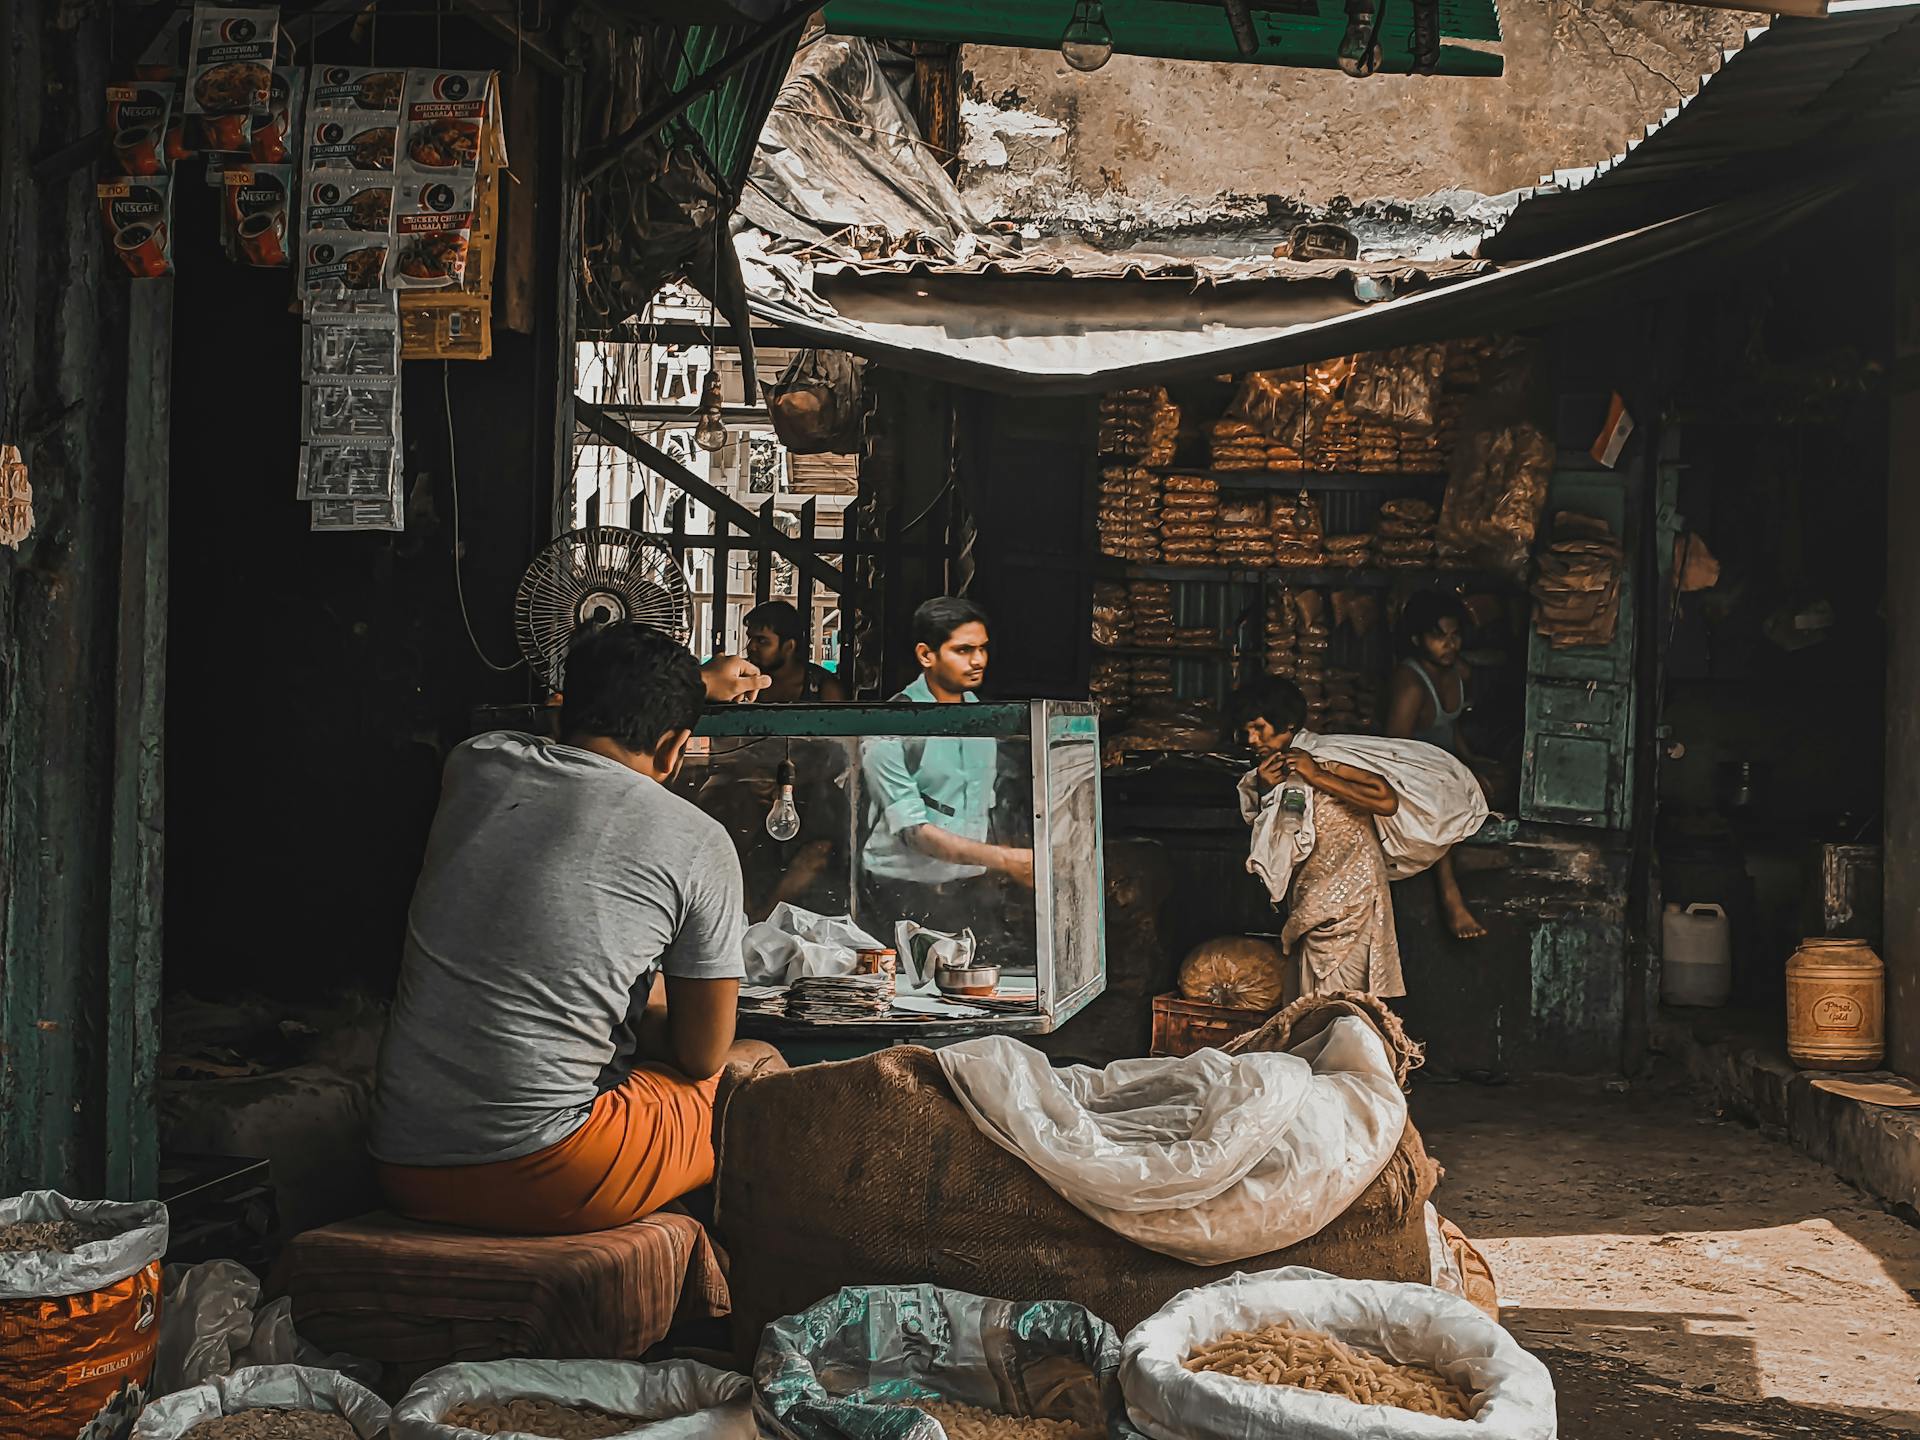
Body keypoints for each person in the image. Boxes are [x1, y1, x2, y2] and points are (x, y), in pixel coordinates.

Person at [368, 629, 766, 1235]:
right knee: (755, 1071)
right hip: (548, 1170)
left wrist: (691, 683)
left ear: (564, 711)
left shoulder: (477, 763)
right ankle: (739, 1302)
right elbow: (701, 1052)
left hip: (401, 1162)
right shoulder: (699, 839)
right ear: (674, 747)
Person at [859, 597, 1034, 936]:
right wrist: (1007, 860)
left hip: (971, 892)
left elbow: (990, 808)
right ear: (926, 655)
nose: (978, 660)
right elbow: (915, 834)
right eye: (963, 650)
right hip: (899, 893)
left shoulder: (982, 718)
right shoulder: (893, 727)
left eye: (982, 649)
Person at [1232, 675, 1405, 999]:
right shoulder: (1274, 768)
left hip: (1353, 890)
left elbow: (1385, 799)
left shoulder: (1324, 755)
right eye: (1247, 730)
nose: (1252, 739)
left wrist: (1318, 775)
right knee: (1310, 998)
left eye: (1259, 727)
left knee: (1342, 1003)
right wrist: (1266, 789)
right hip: (1312, 889)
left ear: (1287, 724)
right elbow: (1278, 828)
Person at [1385, 591, 1486, 940]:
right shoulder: (1410, 684)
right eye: (1438, 636)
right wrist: (1441, 778)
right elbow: (1396, 751)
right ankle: (1450, 895)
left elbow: (1450, 727)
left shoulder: (1457, 672)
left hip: (1447, 770)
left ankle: (1469, 851)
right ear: (1417, 640)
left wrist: (1471, 761)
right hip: (1413, 776)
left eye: (1454, 635)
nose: (1449, 644)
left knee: (1495, 783)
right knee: (1442, 805)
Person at [743, 599, 849, 703]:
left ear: (789, 646)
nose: (751, 646)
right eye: (750, 638)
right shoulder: (743, 682)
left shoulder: (825, 689)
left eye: (762, 641)